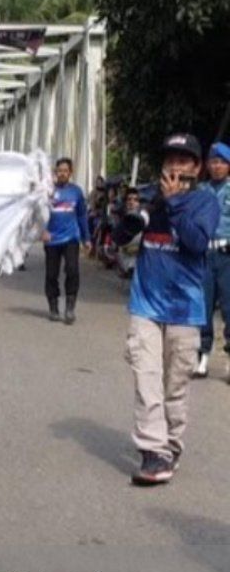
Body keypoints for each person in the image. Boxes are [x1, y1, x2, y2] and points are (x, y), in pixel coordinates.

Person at [115, 133, 219, 485]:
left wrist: (173, 203)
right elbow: (119, 237)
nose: (175, 166)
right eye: (170, 159)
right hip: (145, 304)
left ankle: (170, 444)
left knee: (175, 386)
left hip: (185, 310)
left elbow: (196, 241)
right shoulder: (149, 196)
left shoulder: (205, 203)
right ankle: (153, 450)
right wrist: (130, 215)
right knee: (147, 381)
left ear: (197, 167)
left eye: (184, 160)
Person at [43, 158, 92, 324]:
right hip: (51, 239)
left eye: (65, 170)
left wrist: (87, 238)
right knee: (51, 274)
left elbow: (82, 216)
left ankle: (70, 307)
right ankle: (53, 307)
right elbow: (37, 213)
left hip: (71, 238)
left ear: (70, 173)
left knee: (72, 270)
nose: (62, 173)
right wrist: (42, 231)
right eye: (59, 170)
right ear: (55, 172)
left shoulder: (76, 192)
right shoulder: (47, 191)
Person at [197, 142, 230, 378]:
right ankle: (203, 357)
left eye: (222, 162)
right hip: (205, 254)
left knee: (229, 309)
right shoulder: (201, 191)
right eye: (214, 162)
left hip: (227, 255)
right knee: (203, 307)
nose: (217, 166)